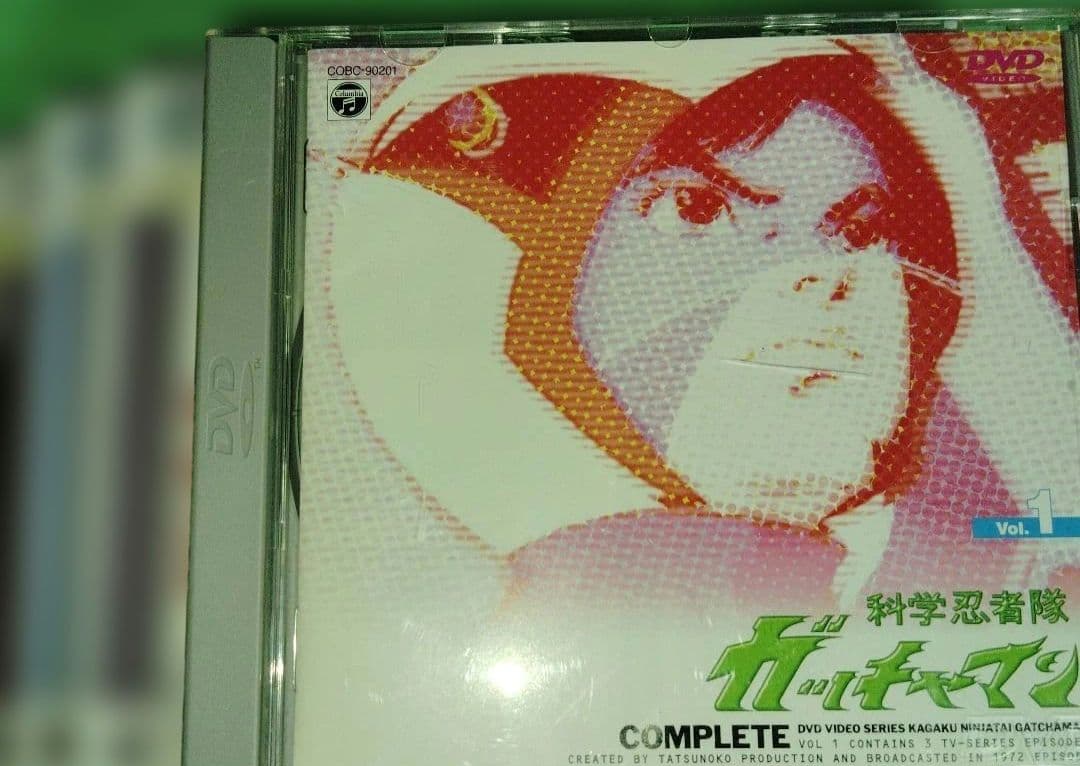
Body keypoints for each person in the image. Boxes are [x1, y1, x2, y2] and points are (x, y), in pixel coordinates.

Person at [326, 35, 1078, 613]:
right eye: (697, 209)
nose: (826, 274)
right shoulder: (583, 607)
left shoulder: (985, 579)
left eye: (859, 229)